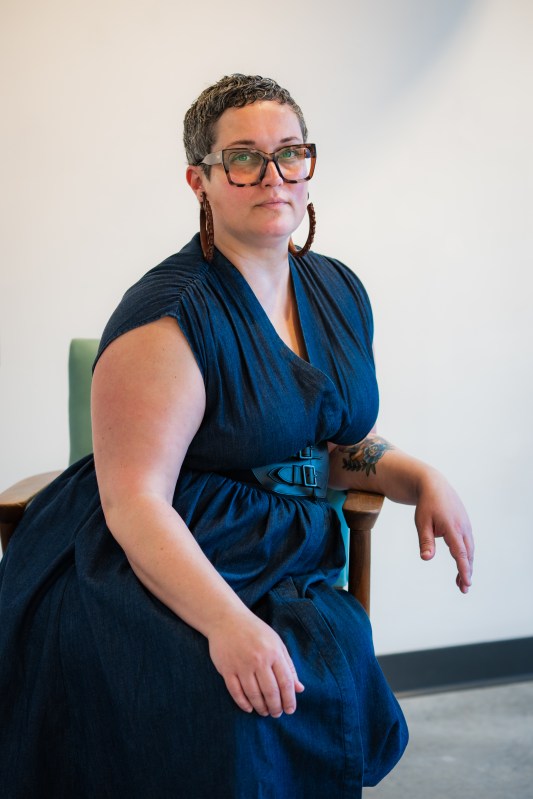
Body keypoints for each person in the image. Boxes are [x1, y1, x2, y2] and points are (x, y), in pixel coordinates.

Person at [0, 74, 474, 798]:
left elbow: (339, 441)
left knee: (313, 666)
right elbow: (135, 504)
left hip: (281, 554)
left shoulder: (337, 290)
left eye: (290, 152)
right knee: (227, 703)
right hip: (157, 559)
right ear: (201, 180)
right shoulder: (169, 317)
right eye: (244, 158)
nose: (273, 175)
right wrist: (227, 624)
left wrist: (418, 478)